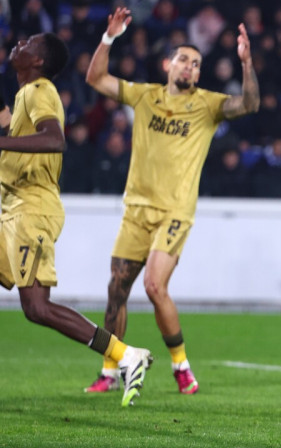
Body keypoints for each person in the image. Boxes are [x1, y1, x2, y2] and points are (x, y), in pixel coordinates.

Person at [82, 7, 259, 395]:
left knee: (154, 286)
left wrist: (247, 65)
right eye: (184, 60)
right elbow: (94, 77)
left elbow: (249, 104)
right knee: (116, 290)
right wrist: (109, 37)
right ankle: (111, 369)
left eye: (196, 64)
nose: (190, 68)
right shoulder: (145, 96)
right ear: (167, 64)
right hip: (136, 210)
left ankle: (181, 366)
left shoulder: (208, 105)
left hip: (175, 212)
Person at [0, 32, 152, 407]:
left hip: (32, 209)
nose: (21, 41)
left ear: (38, 61)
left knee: (37, 308)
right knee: (35, 308)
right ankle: (124, 354)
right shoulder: (24, 95)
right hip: (13, 208)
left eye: (30, 42)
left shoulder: (40, 89)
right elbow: (8, 129)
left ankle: (124, 354)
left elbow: (54, 139)